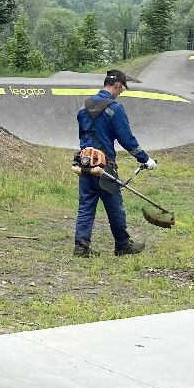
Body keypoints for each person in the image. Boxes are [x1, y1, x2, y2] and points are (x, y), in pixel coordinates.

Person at [73, 68, 157, 257]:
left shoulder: (84, 107)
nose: (120, 93)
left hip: (85, 162)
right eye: (121, 90)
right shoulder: (114, 109)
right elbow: (126, 139)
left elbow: (83, 135)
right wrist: (145, 159)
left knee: (86, 205)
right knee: (115, 206)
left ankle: (81, 246)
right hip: (104, 165)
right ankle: (123, 245)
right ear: (117, 85)